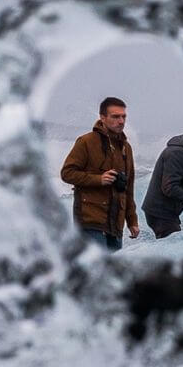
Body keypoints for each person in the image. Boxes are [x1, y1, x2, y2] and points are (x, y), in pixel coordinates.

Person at [60, 97, 139, 251]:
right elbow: (67, 173)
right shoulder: (86, 142)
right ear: (102, 117)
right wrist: (98, 179)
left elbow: (128, 188)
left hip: (115, 225)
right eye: (115, 116)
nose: (121, 121)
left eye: (123, 116)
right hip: (91, 222)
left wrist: (132, 221)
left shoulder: (126, 148)